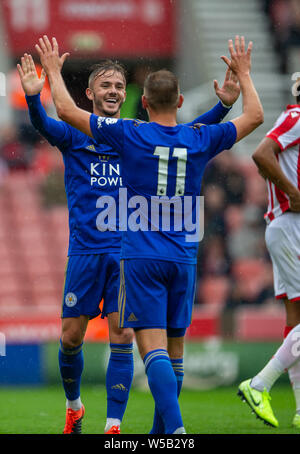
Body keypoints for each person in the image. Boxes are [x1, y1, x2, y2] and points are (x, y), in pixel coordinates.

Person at [34, 34, 263, 433]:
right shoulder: (157, 137)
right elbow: (206, 132)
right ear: (177, 103)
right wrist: (233, 94)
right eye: (106, 85)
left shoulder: (132, 134)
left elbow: (69, 111)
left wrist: (53, 73)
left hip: (135, 254)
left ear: (138, 98)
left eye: (119, 85)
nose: (113, 91)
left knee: (137, 341)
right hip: (146, 253)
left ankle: (128, 427)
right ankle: (145, 428)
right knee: (111, 344)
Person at [238, 83, 300, 429]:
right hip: (291, 225)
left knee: (295, 322)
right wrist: (291, 192)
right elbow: (261, 154)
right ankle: (258, 384)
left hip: (287, 227)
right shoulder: (296, 117)